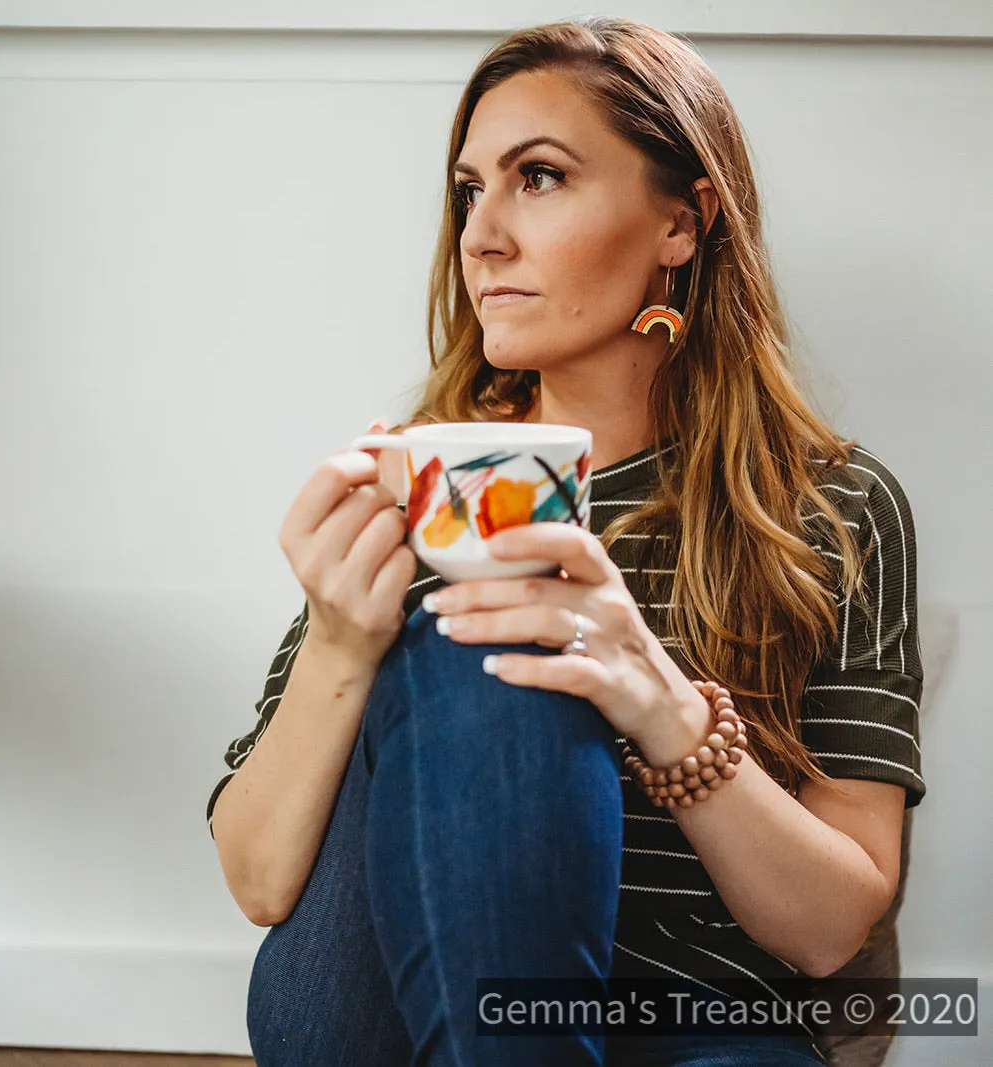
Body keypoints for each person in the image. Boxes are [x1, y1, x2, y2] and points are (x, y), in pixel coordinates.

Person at [206, 16, 924, 1067]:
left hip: (692, 1025)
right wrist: (336, 641)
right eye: (467, 190)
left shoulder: (829, 504)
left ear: (681, 222)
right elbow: (261, 881)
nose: (481, 235)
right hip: (384, 1012)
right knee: (488, 602)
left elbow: (827, 933)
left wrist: (657, 701)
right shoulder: (420, 479)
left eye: (536, 177)